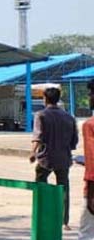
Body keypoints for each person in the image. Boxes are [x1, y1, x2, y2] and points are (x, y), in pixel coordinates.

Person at [60, 81, 94, 240]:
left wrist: (90, 192)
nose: (89, 98)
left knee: (88, 234)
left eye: (91, 93)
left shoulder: (90, 124)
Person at [31, 86, 79, 229]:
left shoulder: (41, 115)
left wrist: (33, 153)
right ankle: (64, 221)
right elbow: (74, 141)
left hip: (46, 158)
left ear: (45, 99)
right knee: (63, 188)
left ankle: (42, 214)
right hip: (64, 158)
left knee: (40, 184)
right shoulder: (69, 117)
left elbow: (37, 137)